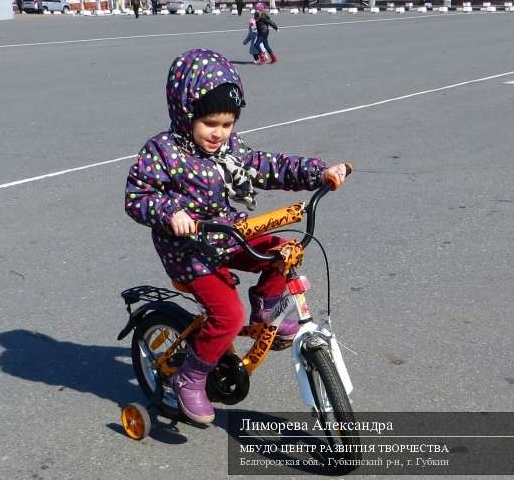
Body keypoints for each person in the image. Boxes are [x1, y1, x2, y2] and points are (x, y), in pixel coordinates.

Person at [124, 48, 347, 424]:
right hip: (190, 252)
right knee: (227, 315)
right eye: (210, 123)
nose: (219, 134)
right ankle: (190, 379)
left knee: (285, 251)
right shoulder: (162, 151)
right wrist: (170, 213)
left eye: (227, 125)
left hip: (227, 235)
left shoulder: (231, 150)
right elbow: (137, 197)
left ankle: (266, 309)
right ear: (185, 113)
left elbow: (269, 166)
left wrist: (318, 172)